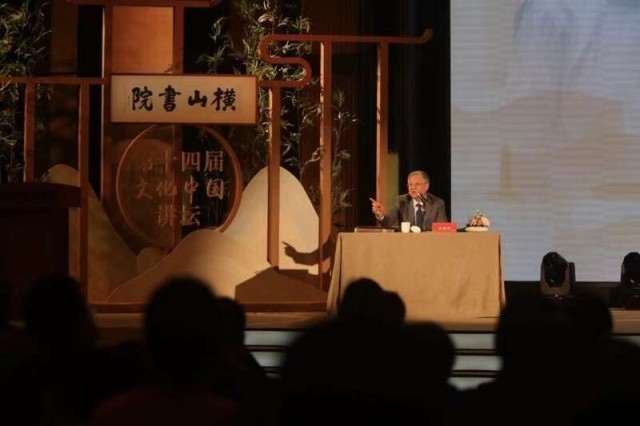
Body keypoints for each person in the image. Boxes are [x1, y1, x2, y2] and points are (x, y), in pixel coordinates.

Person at [370, 170, 447, 231]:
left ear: (426, 186)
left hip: (429, 242)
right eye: (410, 184)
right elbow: (387, 223)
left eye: (417, 184)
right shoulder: (401, 201)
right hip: (407, 242)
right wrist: (380, 215)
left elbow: (443, 229)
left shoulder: (437, 203)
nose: (413, 187)